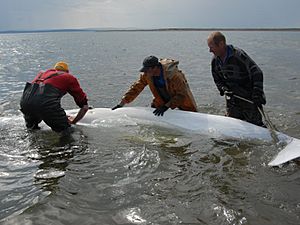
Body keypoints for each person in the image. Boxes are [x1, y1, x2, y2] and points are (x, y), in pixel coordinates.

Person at [207, 31, 266, 126]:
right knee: (232, 125)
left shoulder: (238, 55)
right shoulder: (215, 61)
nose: (210, 51)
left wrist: (257, 93)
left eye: (211, 47)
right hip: (232, 99)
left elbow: (257, 72)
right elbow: (217, 79)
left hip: (249, 98)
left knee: (256, 125)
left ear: (221, 44)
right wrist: (223, 88)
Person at [112, 56, 197, 116]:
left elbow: (181, 94)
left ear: (155, 67)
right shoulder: (147, 74)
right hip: (161, 98)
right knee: (155, 110)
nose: (145, 73)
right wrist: (122, 103)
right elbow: (136, 88)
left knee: (191, 112)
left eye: (147, 70)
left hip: (181, 98)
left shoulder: (174, 75)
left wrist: (166, 106)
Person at [20, 61, 89, 133]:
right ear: (67, 71)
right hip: (45, 105)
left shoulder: (42, 74)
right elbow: (84, 106)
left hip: (25, 103)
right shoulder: (68, 77)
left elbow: (37, 98)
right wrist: (73, 121)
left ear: (54, 69)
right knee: (66, 131)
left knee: (32, 130)